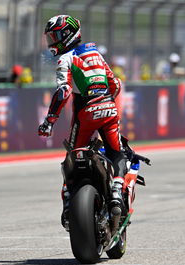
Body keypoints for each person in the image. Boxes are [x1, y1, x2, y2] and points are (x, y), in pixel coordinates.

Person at [38, 15, 126, 231]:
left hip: (86, 113)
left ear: (68, 35)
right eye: (51, 37)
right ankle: (116, 190)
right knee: (117, 153)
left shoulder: (65, 58)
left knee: (72, 157)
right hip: (109, 108)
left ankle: (69, 201)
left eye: (56, 36)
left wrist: (50, 120)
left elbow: (64, 90)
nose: (53, 42)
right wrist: (106, 102)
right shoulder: (95, 53)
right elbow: (115, 84)